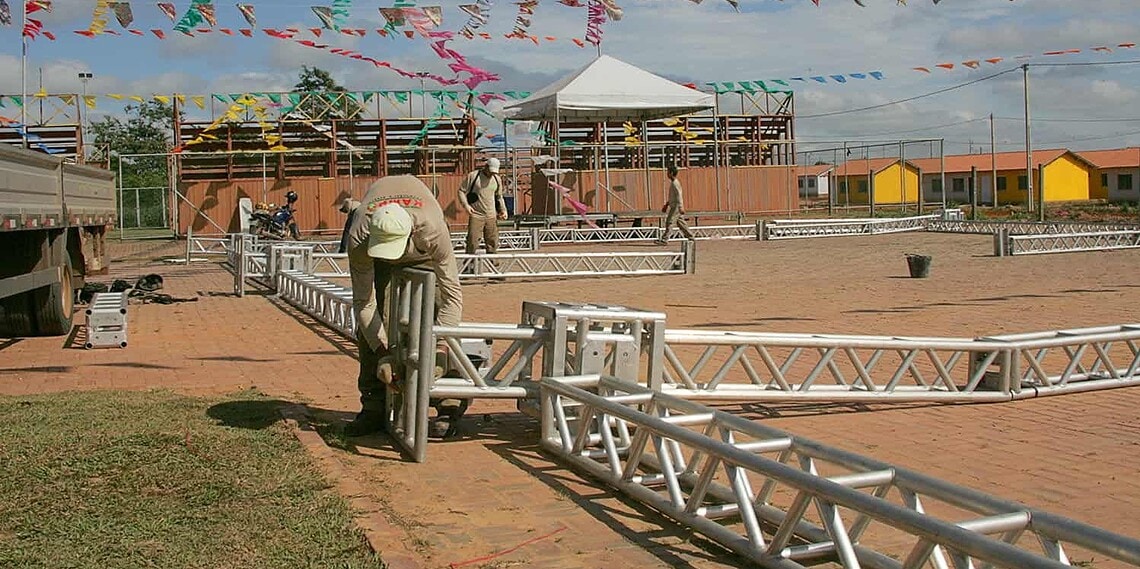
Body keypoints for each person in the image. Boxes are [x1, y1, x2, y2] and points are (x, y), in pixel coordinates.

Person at [341, 176, 463, 437]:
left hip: (424, 253)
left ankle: (448, 405)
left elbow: (453, 297)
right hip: (378, 250)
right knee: (372, 326)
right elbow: (364, 301)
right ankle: (374, 406)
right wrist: (383, 351)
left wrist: (440, 347)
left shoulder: (432, 228)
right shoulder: (360, 235)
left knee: (437, 306)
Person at [459, 157, 509, 254]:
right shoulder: (473, 176)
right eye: (491, 171)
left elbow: (499, 196)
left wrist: (503, 210)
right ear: (485, 167)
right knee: (472, 241)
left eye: (494, 172)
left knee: (493, 241)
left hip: (491, 215)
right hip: (476, 214)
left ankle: (493, 264)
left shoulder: (497, 179)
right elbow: (461, 191)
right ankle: (469, 265)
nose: (492, 174)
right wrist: (466, 205)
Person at [655, 165, 696, 244]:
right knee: (681, 223)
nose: (667, 174)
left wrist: (681, 207)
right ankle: (691, 236)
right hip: (674, 205)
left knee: (670, 221)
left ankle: (665, 239)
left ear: (671, 173)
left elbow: (679, 195)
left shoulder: (675, 184)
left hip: (676, 207)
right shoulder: (673, 183)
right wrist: (667, 204)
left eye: (668, 172)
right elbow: (672, 196)